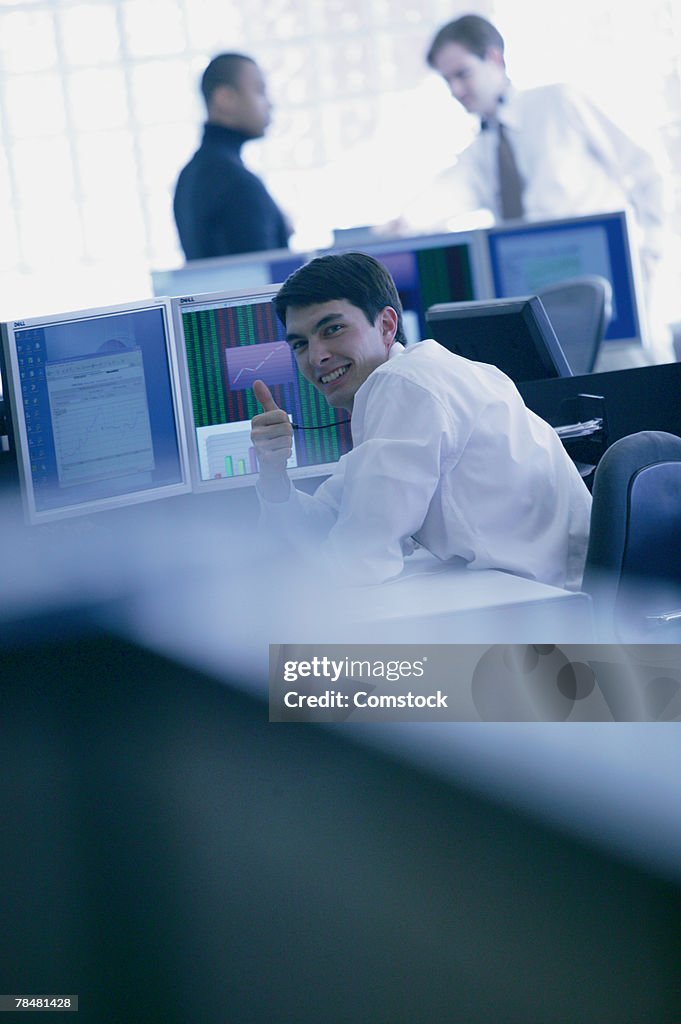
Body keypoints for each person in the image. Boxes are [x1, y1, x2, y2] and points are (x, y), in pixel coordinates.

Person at [250, 252, 591, 589]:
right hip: (541, 594)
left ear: (386, 326)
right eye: (300, 344)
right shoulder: (421, 375)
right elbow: (332, 519)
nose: (316, 356)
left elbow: (359, 561)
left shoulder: (404, 385)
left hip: (541, 609)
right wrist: (274, 474)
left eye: (333, 329)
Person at [403, 15, 665, 280]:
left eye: (462, 74)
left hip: (606, 271)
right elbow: (440, 202)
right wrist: (401, 224)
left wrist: (650, 253)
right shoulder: (479, 153)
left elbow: (646, 168)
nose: (456, 90)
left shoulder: (559, 103)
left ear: (495, 59)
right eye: (448, 80)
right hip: (537, 280)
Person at [173, 53, 291, 260]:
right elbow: (262, 282)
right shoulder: (234, 180)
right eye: (260, 91)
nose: (270, 105)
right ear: (225, 99)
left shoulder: (192, 174)